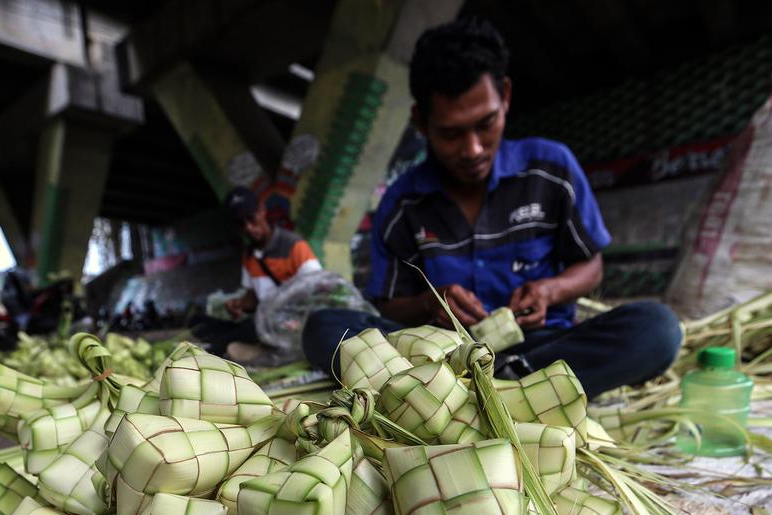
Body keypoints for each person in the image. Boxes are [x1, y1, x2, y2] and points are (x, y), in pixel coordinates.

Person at [301, 17, 682, 398]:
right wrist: (431, 302)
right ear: (421, 122)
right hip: (440, 357)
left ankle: (477, 392)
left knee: (657, 328)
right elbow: (389, 304)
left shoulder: (551, 169)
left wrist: (550, 290)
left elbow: (591, 266)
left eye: (486, 124)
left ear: (505, 96)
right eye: (450, 133)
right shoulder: (403, 202)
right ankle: (517, 394)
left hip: (543, 348)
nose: (473, 150)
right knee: (324, 328)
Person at [197, 186, 322, 356]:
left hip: (292, 322)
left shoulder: (294, 246)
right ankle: (248, 346)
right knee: (200, 324)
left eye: (251, 219)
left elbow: (318, 289)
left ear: (262, 211)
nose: (248, 227)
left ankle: (225, 350)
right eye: (241, 223)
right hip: (263, 321)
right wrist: (238, 304)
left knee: (231, 338)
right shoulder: (249, 256)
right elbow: (253, 299)